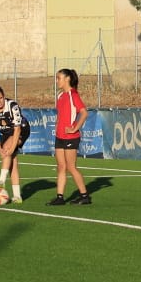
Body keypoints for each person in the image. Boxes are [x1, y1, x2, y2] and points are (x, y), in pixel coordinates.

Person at [47, 68, 91, 206]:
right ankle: (60, 197)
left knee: (71, 167)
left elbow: (84, 113)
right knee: (61, 166)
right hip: (60, 136)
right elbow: (60, 114)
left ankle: (84, 196)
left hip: (71, 137)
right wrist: (57, 126)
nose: (57, 80)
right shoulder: (61, 96)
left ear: (67, 79)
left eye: (58, 78)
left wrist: (75, 128)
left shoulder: (73, 95)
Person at [0, 84, 29, 204]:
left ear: (4, 97)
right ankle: (17, 196)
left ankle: (1, 180)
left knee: (8, 149)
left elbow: (17, 129)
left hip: (21, 130)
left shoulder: (12, 106)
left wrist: (11, 147)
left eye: (1, 98)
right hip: (5, 134)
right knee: (12, 163)